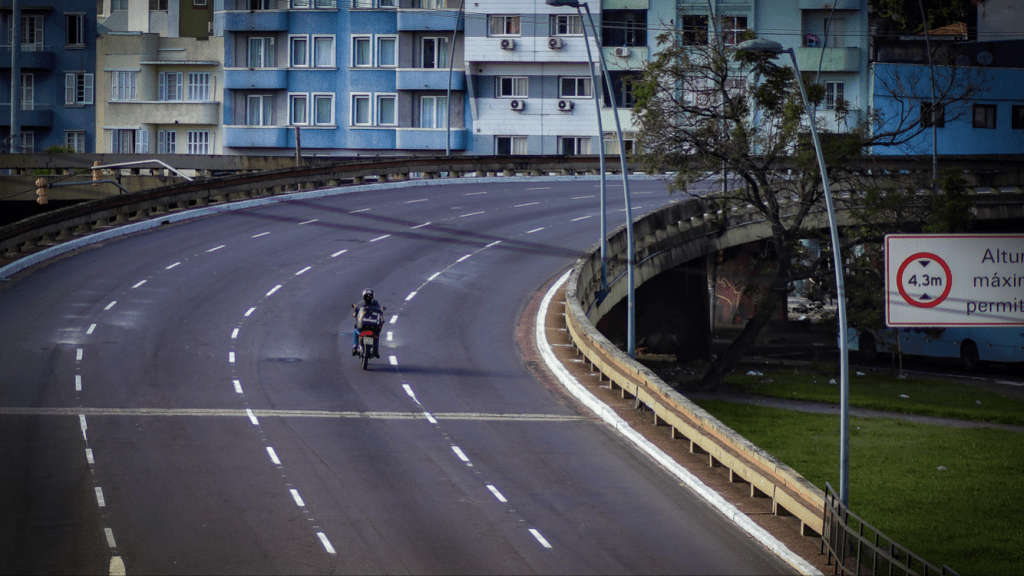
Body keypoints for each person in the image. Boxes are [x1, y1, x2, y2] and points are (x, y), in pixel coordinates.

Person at [352, 288, 384, 358]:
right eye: (367, 296)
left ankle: (375, 349)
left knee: (376, 334)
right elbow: (356, 313)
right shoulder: (361, 304)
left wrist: (381, 319)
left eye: (369, 297)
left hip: (372, 325)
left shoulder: (375, 304)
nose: (368, 298)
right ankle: (355, 347)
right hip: (364, 325)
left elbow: (380, 313)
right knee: (356, 331)